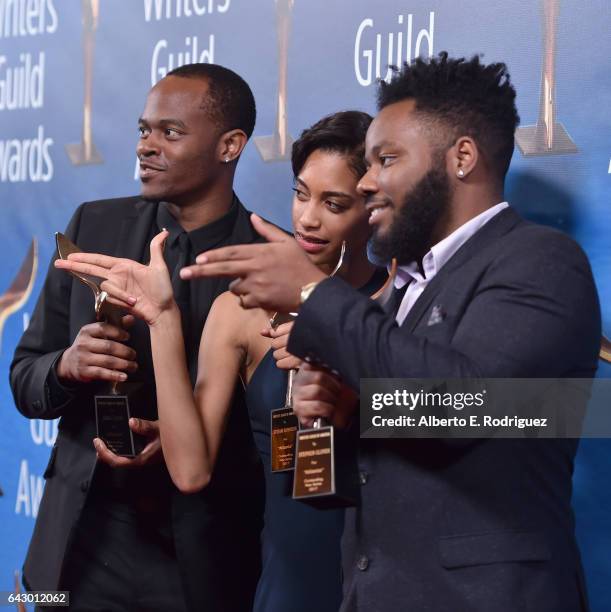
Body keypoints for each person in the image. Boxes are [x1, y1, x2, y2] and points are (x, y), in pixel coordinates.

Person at [175, 53, 601, 611]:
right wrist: (342, 413)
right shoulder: (407, 287)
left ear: (462, 158)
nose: (369, 181)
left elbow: (470, 411)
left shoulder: (540, 261)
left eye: (387, 159)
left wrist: (313, 295)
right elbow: (392, 461)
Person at [56, 110, 388, 612]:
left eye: (334, 203)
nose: (308, 219)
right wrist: (163, 317)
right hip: (289, 585)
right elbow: (190, 472)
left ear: (374, 206)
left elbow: (510, 416)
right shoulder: (241, 307)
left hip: (390, 576)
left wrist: (342, 357)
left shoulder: (403, 303)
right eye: (301, 195)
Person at [10, 63, 264, 612]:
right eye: (143, 130)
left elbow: (280, 427)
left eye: (170, 133)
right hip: (76, 549)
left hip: (202, 561)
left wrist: (184, 439)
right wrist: (65, 366)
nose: (147, 146)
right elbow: (24, 380)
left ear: (231, 145)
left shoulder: (267, 262)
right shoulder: (93, 227)